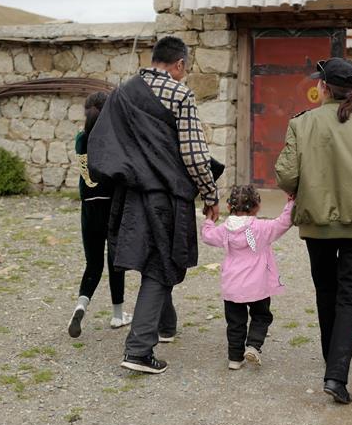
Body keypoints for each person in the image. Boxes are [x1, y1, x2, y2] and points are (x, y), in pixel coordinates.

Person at [88, 36, 219, 374]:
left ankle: (165, 326)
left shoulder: (122, 93)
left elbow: (102, 143)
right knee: (162, 264)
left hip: (131, 193)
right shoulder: (180, 93)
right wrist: (210, 194)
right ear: (180, 65)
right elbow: (193, 154)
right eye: (184, 69)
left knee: (155, 259)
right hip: (166, 193)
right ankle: (138, 350)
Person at [275, 57, 352, 405]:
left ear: (324, 87)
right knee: (349, 298)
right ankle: (336, 373)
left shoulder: (302, 123)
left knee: (325, 292)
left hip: (316, 226)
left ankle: (332, 362)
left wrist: (298, 187)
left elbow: (285, 175)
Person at [201, 186, 293, 370]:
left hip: (232, 286)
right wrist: (291, 202)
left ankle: (234, 358)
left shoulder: (224, 229)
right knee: (261, 316)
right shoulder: (262, 228)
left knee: (235, 323)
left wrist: (209, 220)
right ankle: (253, 345)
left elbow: (207, 236)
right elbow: (283, 222)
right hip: (258, 285)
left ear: (229, 206)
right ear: (257, 206)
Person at [68, 91, 132, 338]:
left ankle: (80, 306)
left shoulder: (80, 139)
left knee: (93, 263)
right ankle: (118, 315)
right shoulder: (113, 140)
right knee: (116, 261)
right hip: (111, 206)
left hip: (89, 207)